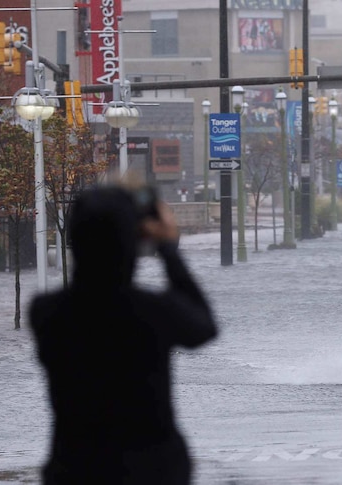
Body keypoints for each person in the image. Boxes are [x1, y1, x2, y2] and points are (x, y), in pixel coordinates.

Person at [29, 185, 217, 485]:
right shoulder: (152, 312)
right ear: (133, 243)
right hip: (153, 472)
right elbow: (204, 327)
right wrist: (168, 248)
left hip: (75, 469)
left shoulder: (46, 313)